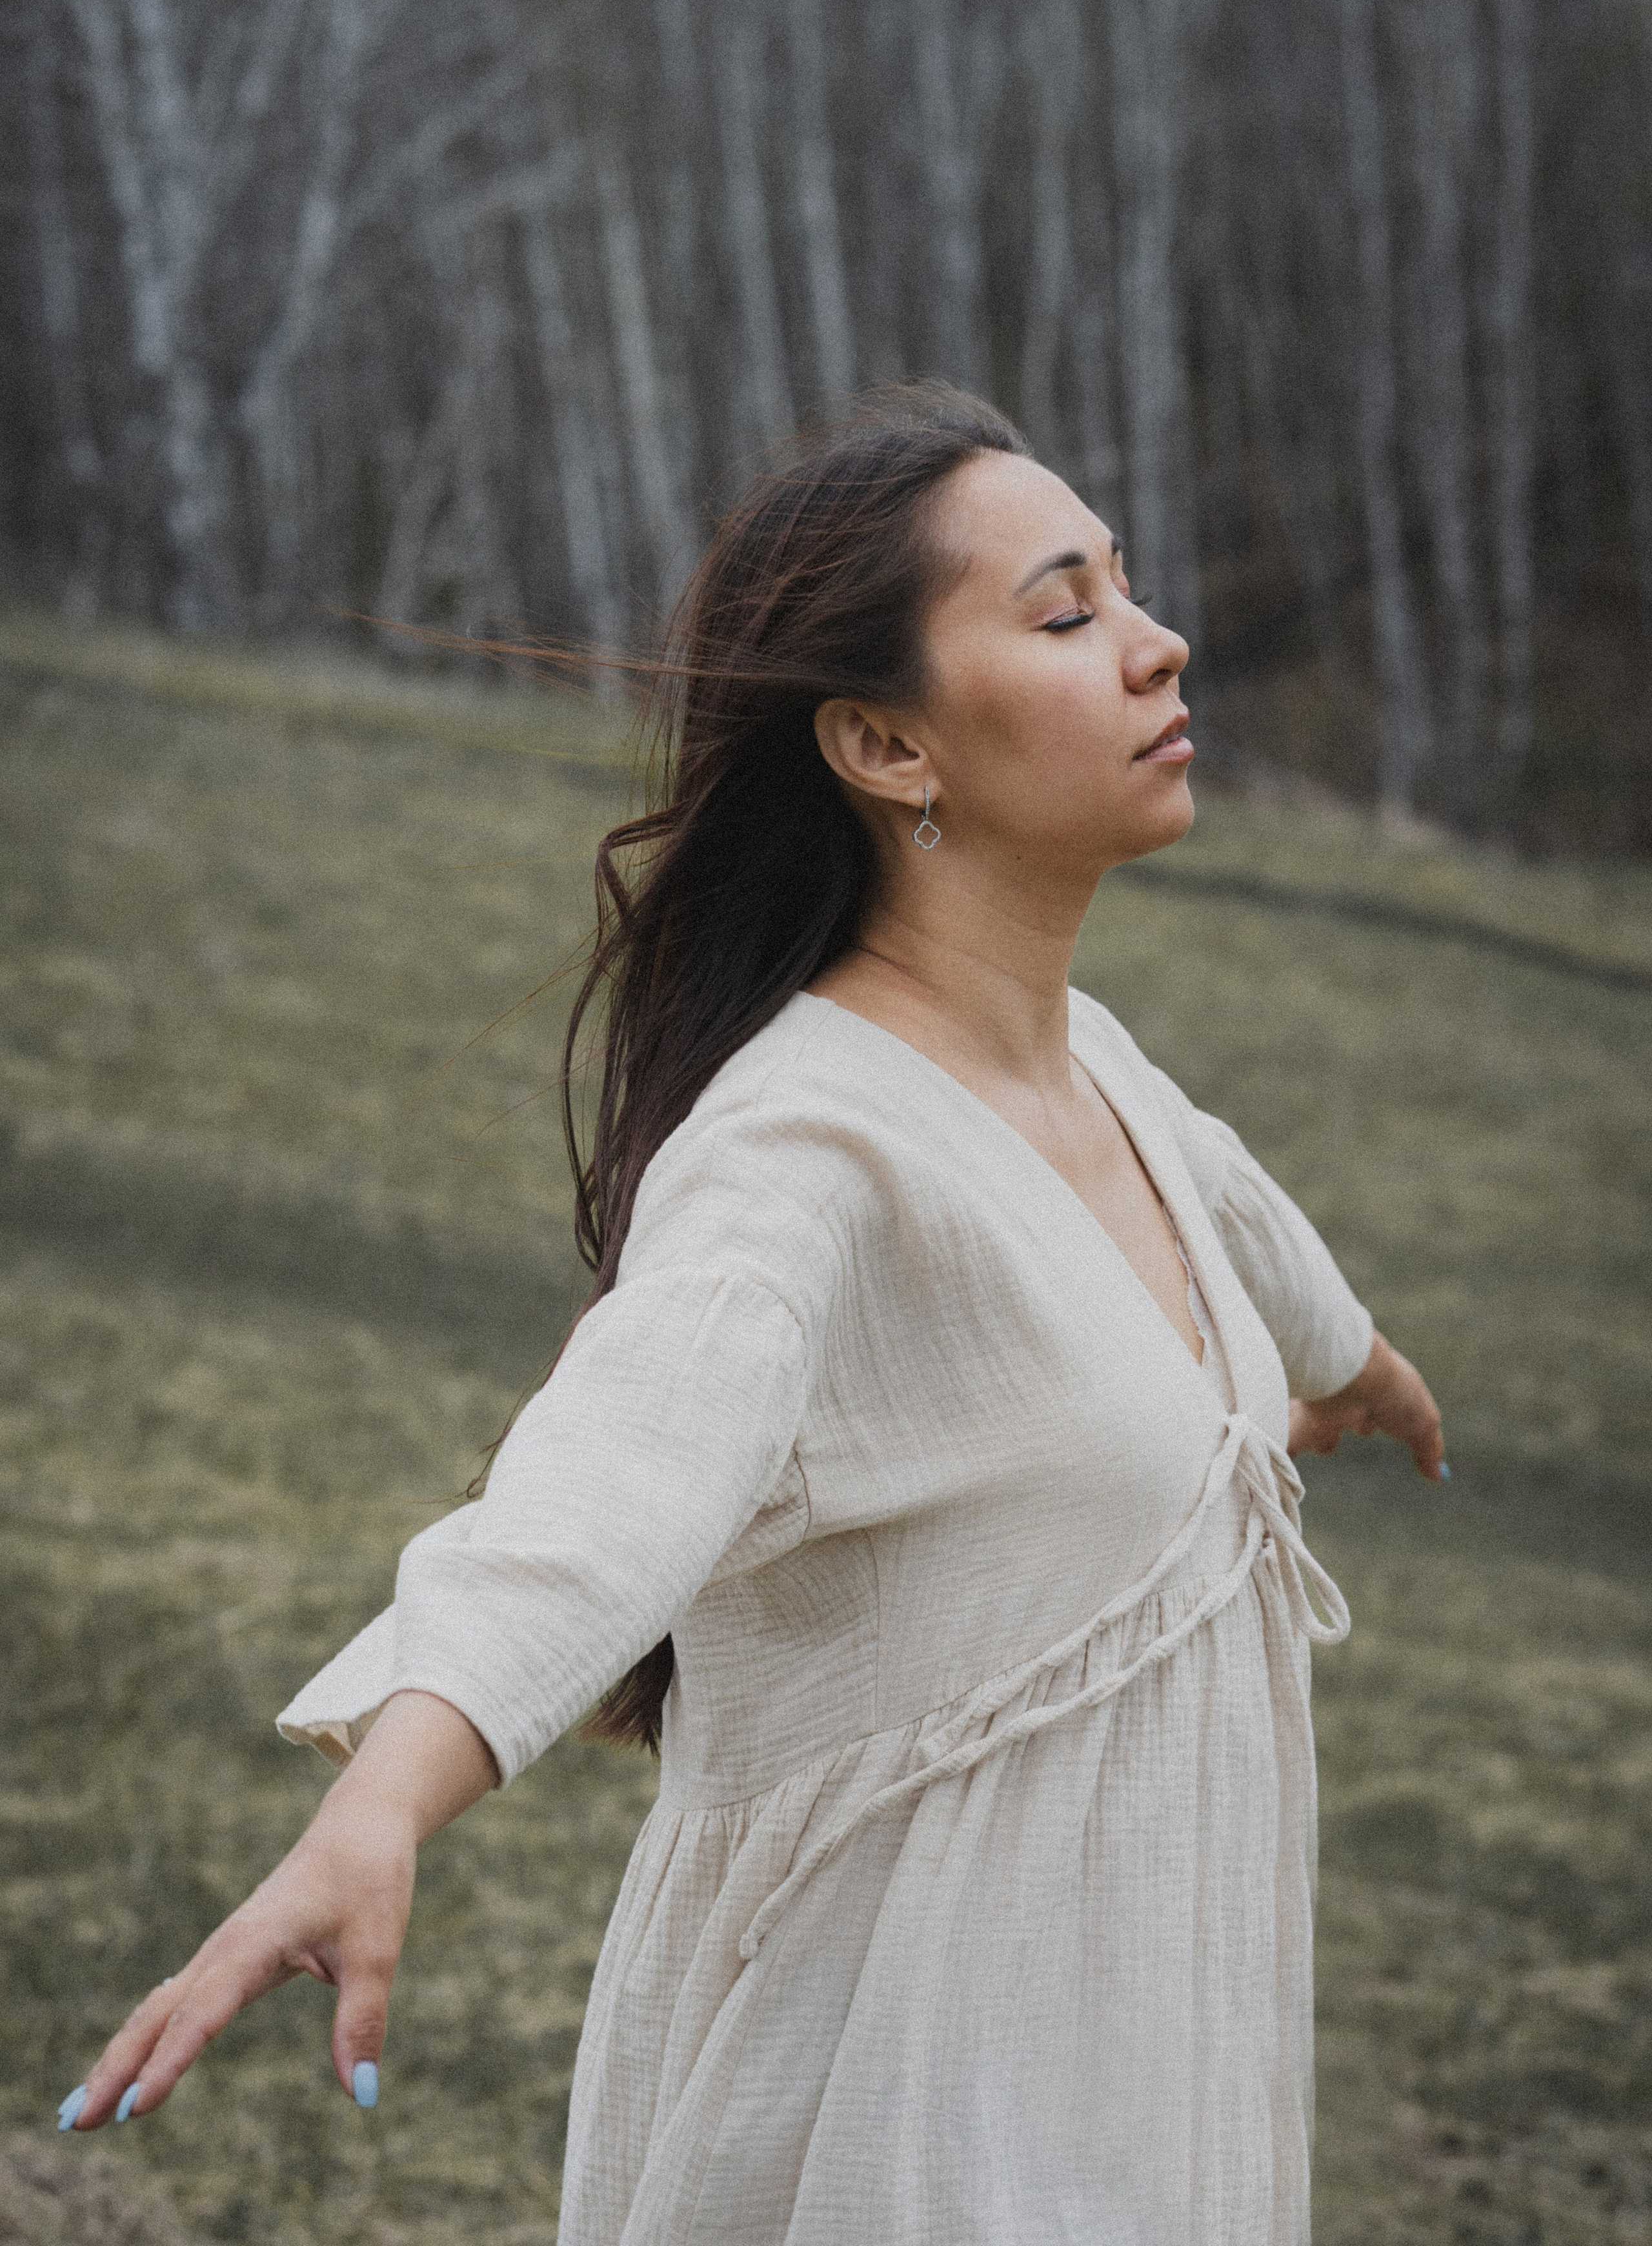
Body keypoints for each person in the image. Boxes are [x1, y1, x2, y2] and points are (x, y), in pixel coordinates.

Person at [61, 385, 1444, 2243]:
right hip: (901, 2123)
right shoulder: (804, 1156)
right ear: (885, 744)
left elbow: (1239, 1212)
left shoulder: (1097, 1069)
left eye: (1126, 585)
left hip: (1148, 2096)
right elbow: (598, 1492)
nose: (1158, 638)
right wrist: (378, 1806)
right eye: (1064, 611)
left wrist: (1352, 1366)